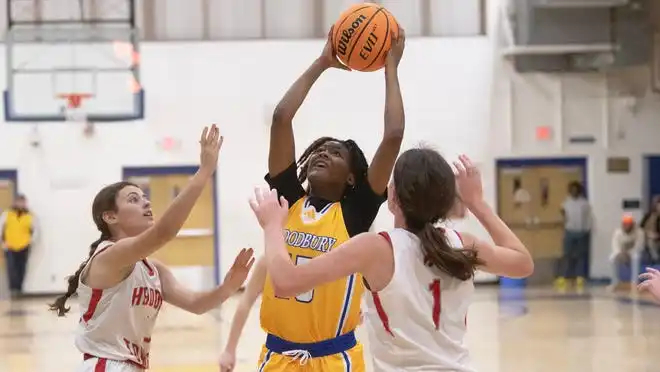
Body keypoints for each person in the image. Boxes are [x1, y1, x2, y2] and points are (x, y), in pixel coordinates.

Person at [221, 28, 406, 372]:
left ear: (352, 177)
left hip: (334, 360)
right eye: (319, 149)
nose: (322, 154)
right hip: (277, 358)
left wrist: (390, 67)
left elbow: (393, 136)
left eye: (335, 153)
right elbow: (281, 118)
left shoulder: (354, 214)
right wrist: (321, 63)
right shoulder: (287, 202)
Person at [249, 152, 533, 371]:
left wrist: (273, 228)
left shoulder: (376, 249)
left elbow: (285, 282)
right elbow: (523, 263)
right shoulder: (462, 243)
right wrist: (478, 203)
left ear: (392, 196)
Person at [48, 125, 255, 372]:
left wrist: (228, 287)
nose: (146, 202)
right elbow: (164, 233)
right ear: (110, 217)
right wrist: (204, 172)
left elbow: (197, 304)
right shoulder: (108, 257)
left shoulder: (153, 270)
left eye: (144, 197)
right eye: (133, 199)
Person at [555, 181, 592, 292]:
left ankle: (579, 277)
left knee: (580, 255)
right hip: (569, 231)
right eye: (572, 190)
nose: (574, 192)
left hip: (581, 232)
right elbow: (563, 214)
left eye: (576, 190)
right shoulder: (566, 203)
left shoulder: (584, 203)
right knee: (567, 255)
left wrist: (587, 230)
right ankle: (564, 277)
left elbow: (588, 217)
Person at [0, 194, 38, 297]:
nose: (21, 204)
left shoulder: (30, 215)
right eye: (19, 202)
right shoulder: (7, 214)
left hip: (24, 246)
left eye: (23, 202)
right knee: (11, 268)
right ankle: (13, 290)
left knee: (22, 268)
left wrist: (30, 242)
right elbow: (1, 228)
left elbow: (35, 231)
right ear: (15, 202)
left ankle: (19, 290)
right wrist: (3, 242)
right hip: (10, 246)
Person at [608, 214, 644, 291]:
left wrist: (629, 253)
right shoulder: (617, 232)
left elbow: (639, 246)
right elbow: (615, 246)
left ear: (632, 224)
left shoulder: (639, 232)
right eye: (625, 224)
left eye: (629, 224)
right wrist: (620, 253)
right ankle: (614, 283)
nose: (627, 226)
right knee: (611, 258)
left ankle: (634, 283)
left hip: (633, 253)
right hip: (621, 253)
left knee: (636, 257)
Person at [640, 195, 660, 262]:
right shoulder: (648, 216)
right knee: (650, 242)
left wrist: (657, 236)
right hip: (648, 239)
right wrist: (648, 233)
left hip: (658, 239)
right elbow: (640, 228)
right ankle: (656, 260)